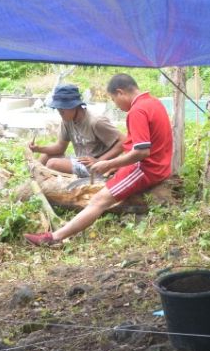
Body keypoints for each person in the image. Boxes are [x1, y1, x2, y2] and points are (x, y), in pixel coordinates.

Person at [24, 73, 173, 245]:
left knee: (98, 200)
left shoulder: (137, 111)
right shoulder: (153, 102)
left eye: (113, 99)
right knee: (57, 165)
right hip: (159, 164)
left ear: (120, 92)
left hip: (147, 169)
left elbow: (142, 152)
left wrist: (107, 163)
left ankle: (53, 238)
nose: (116, 105)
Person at [28, 83, 125, 179]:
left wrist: (99, 160)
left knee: (52, 164)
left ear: (75, 106)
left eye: (63, 109)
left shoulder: (96, 121)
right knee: (45, 157)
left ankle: (49, 184)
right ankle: (35, 182)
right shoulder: (67, 121)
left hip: (97, 167)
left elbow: (123, 141)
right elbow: (60, 148)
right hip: (80, 161)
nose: (60, 112)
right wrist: (38, 149)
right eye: (58, 109)